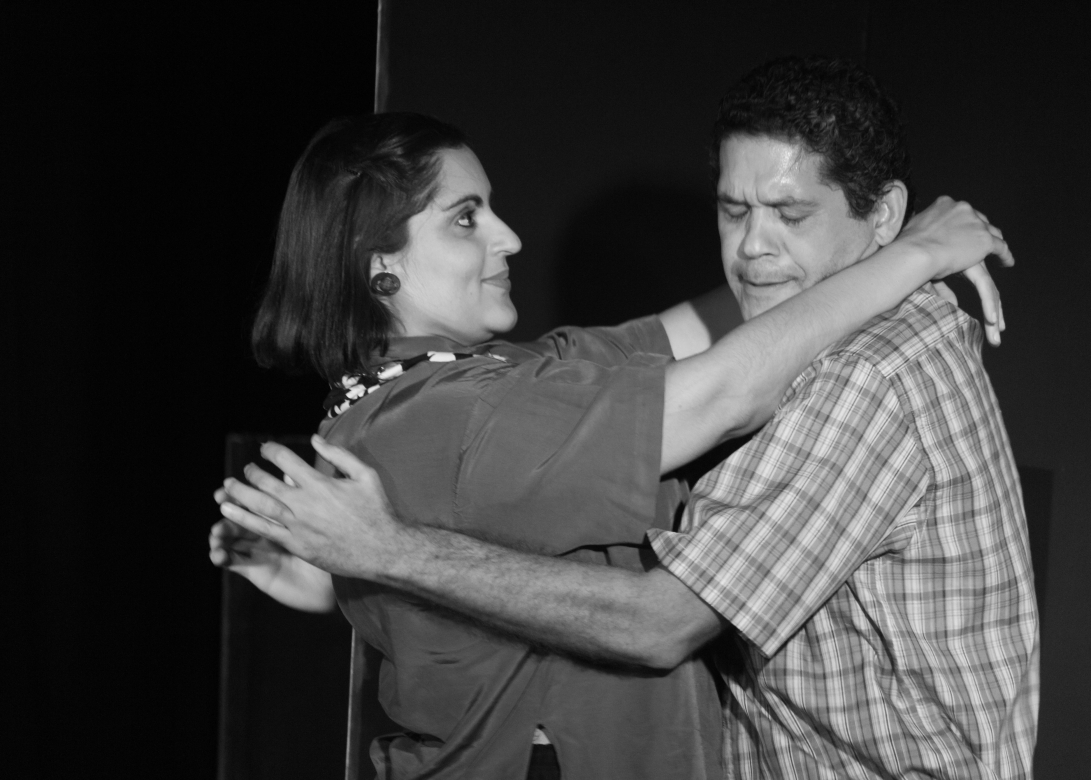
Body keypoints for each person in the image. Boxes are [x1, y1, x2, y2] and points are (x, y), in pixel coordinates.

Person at [214, 65, 1016, 780]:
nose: (508, 236)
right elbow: (727, 393)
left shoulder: (496, 378)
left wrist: (346, 575)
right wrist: (913, 255)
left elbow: (707, 324)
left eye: (787, 213)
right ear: (379, 264)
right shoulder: (456, 414)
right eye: (465, 218)